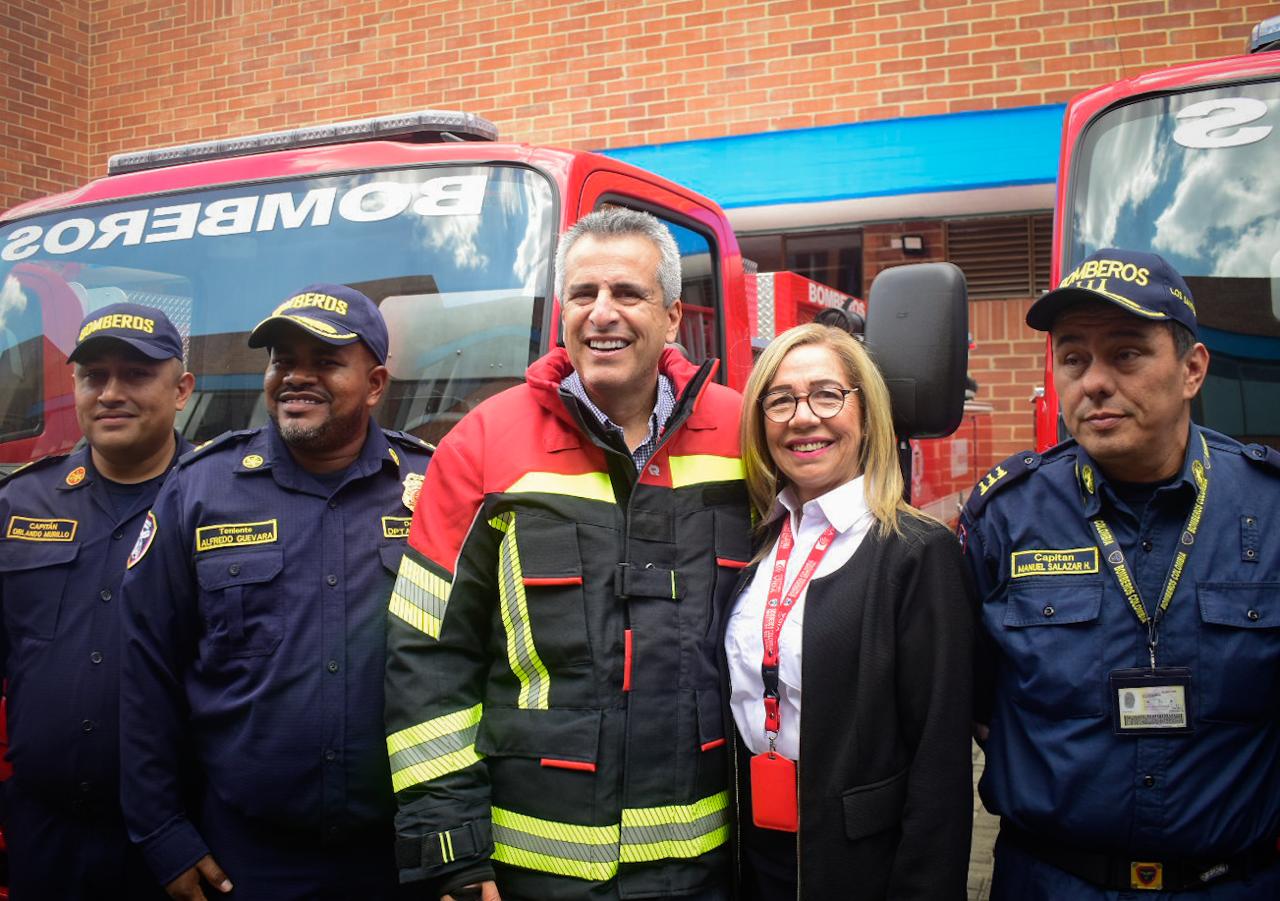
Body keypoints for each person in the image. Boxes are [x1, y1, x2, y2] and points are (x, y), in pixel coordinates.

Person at [384, 208, 751, 901]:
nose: (602, 313)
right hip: (531, 876)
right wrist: (453, 854)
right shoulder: (483, 444)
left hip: (705, 872)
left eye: (627, 293)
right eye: (583, 294)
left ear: (673, 316)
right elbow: (427, 657)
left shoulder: (741, 434)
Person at [961, 248, 1280, 898]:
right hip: (1052, 881)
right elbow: (968, 702)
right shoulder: (1006, 517)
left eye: (1126, 354)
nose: (1094, 381)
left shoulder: (1269, 509)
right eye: (1074, 357)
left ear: (1192, 369)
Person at [118, 284, 431, 901]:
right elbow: (145, 669)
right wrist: (163, 833)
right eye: (283, 361)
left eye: (324, 362)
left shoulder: (431, 487)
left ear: (374, 384)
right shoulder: (200, 491)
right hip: (248, 859)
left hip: (403, 855)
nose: (296, 377)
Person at [726, 322, 974, 899]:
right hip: (754, 853)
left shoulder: (915, 552)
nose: (803, 417)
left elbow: (939, 761)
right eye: (780, 400)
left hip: (861, 866)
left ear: (866, 415)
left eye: (827, 394)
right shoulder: (756, 542)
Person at [0, 302, 193, 900]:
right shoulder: (19, 504)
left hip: (177, 842)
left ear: (182, 389)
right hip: (41, 834)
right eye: (93, 376)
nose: (111, 392)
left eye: (135, 375)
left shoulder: (222, 501)